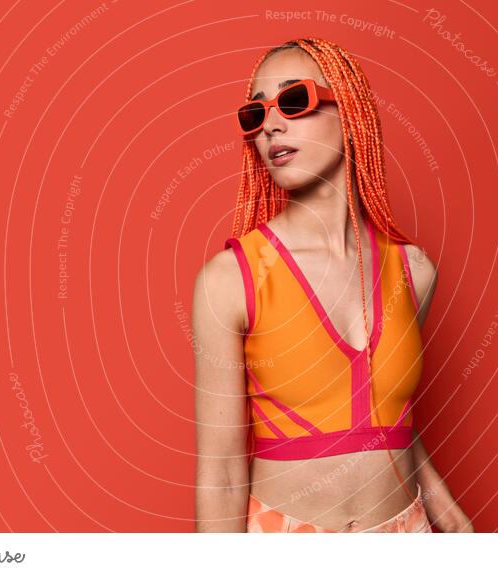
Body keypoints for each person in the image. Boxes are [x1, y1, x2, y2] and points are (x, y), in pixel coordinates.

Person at [193, 37, 473, 533]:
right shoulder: (231, 279)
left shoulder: (414, 271)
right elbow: (220, 474)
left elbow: (391, 419)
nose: (272, 124)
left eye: (293, 100)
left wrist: (447, 511)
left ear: (352, 114)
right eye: (254, 114)